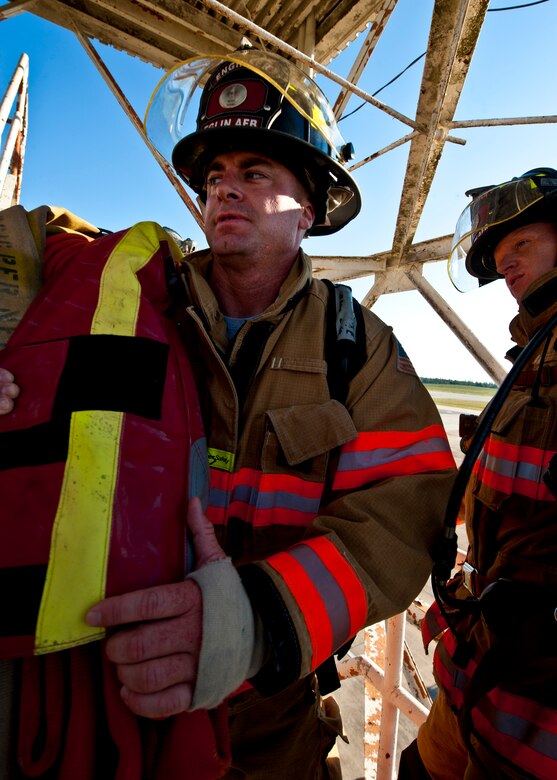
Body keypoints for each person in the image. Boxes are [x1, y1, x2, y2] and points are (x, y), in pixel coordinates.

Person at [0, 45, 456, 779]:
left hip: (271, 718)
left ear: (305, 211)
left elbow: (403, 514)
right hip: (106, 698)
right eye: (214, 178)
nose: (224, 191)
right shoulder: (132, 302)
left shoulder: (356, 350)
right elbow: (24, 246)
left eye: (254, 174)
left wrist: (256, 621)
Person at [399, 167, 557, 780]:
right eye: (498, 252)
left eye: (522, 243)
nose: (507, 262)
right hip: (476, 675)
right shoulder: (533, 356)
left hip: (536, 711)